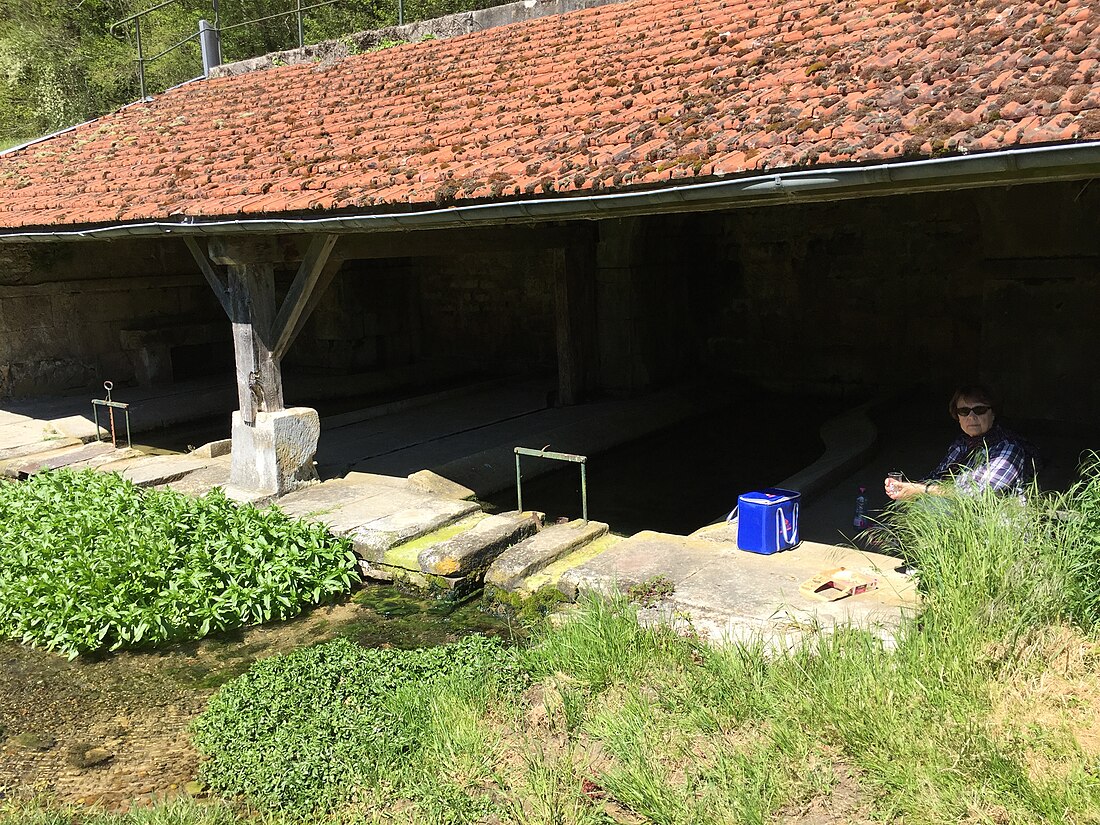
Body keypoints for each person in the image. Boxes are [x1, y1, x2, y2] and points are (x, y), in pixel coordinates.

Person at [884, 385, 1038, 502]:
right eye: (964, 411)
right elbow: (937, 478)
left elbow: (979, 494)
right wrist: (906, 488)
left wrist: (920, 490)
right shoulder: (962, 443)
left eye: (979, 410)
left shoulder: (1009, 448)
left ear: (994, 413)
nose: (971, 417)